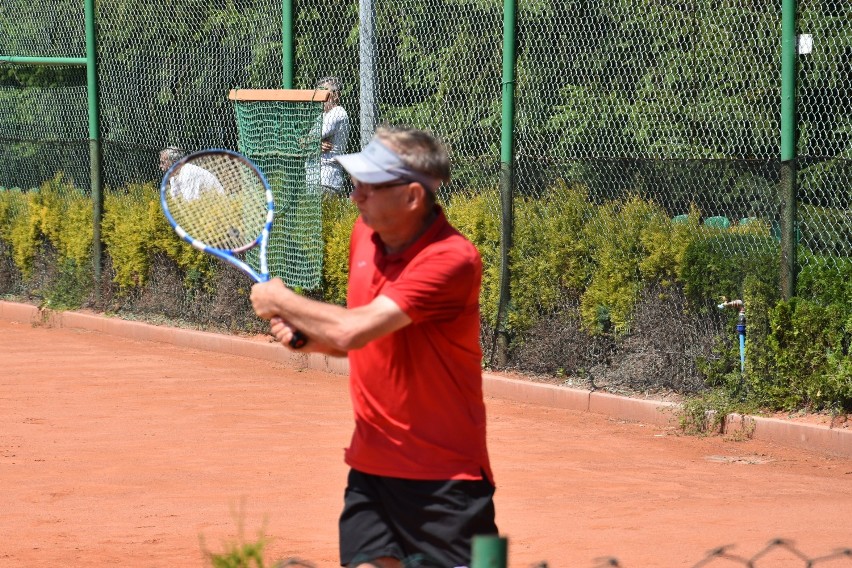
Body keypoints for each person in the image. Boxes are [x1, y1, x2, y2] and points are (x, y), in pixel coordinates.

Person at [250, 126, 498, 568]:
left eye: (370, 186)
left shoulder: (452, 259)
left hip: (445, 479)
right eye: (356, 183)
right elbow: (358, 340)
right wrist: (307, 340)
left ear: (412, 197)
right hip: (372, 466)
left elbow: (352, 330)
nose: (355, 196)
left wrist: (280, 299)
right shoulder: (364, 236)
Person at [310, 76, 350, 196]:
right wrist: (315, 145)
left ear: (336, 95)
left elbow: (309, 139)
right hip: (316, 178)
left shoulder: (337, 112)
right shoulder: (321, 116)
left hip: (327, 180)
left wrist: (311, 143)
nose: (320, 97)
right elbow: (305, 141)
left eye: (324, 92)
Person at [158, 146, 224, 201]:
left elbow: (192, 202)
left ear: (174, 162)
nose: (160, 166)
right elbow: (175, 200)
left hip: (217, 203)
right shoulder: (173, 176)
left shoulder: (188, 173)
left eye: (163, 162)